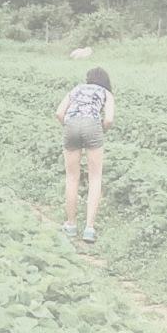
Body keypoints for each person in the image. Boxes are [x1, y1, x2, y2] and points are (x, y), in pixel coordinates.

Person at [54, 67, 115, 243]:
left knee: (72, 177)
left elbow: (59, 113)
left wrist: (69, 126)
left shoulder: (77, 89)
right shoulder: (106, 93)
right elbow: (109, 119)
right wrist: (101, 130)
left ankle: (71, 225)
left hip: (71, 124)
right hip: (93, 126)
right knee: (95, 177)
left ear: (88, 79)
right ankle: (89, 228)